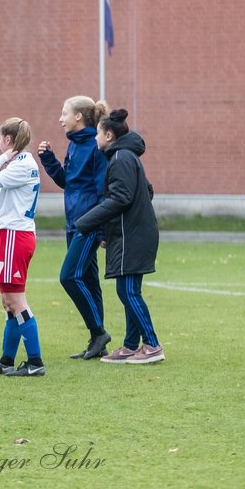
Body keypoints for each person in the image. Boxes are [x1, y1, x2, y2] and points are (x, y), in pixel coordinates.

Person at [74, 109, 164, 364]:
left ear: (109, 135)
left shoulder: (122, 158)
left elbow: (121, 198)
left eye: (99, 134)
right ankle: (129, 346)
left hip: (132, 235)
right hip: (130, 233)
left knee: (128, 292)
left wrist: (87, 221)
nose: (95, 139)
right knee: (128, 290)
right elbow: (146, 190)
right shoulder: (124, 156)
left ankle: (152, 345)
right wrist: (108, 230)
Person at [37, 96, 112, 360]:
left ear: (78, 117)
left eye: (64, 113)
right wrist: (48, 160)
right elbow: (67, 182)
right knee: (89, 280)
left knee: (68, 276)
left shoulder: (96, 146)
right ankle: (97, 342)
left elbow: (103, 191)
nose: (60, 118)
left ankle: (99, 331)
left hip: (89, 224)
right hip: (73, 223)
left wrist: (102, 230)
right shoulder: (74, 146)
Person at [0, 118, 45, 376]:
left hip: (16, 236)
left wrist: (0, 158)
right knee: (8, 301)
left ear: (8, 140)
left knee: (16, 301)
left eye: (0, 139)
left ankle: (35, 362)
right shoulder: (17, 164)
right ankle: (7, 359)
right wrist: (5, 160)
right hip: (10, 235)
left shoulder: (22, 164)